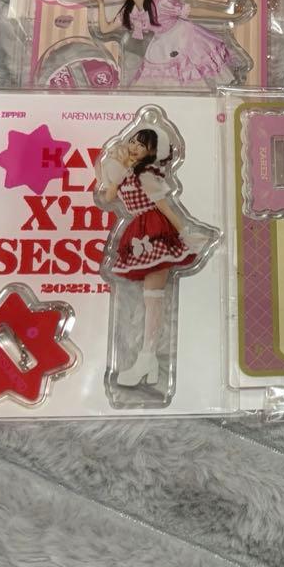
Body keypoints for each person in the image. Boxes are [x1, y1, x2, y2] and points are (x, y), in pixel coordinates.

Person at [95, 125, 204, 387]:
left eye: (142, 145)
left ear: (152, 152)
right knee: (150, 297)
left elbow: (164, 207)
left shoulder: (146, 176)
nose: (134, 147)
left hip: (155, 230)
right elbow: (108, 198)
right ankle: (149, 361)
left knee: (153, 297)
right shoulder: (128, 174)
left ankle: (147, 357)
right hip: (139, 231)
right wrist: (116, 169)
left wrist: (184, 233)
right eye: (133, 141)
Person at [93, 0, 237, 87]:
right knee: (157, 69)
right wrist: (100, 4)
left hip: (183, 35)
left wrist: (229, 14)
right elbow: (105, 29)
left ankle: (203, 94)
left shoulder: (162, 3)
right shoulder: (130, 12)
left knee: (193, 67)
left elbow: (195, 12)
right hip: (161, 40)